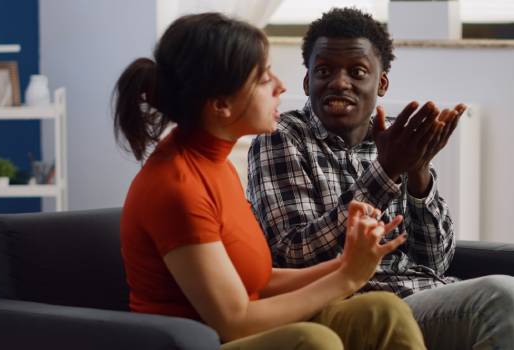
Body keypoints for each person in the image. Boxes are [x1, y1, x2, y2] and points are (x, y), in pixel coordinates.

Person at [247, 7, 514, 350]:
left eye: (356, 72)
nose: (338, 82)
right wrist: (386, 172)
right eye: (324, 70)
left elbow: (435, 260)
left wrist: (419, 175)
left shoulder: (398, 136)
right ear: (307, 78)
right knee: (502, 296)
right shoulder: (282, 139)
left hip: (443, 296)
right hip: (374, 310)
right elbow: (294, 253)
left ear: (381, 82)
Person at [114, 12, 426, 350]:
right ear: (221, 104)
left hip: (238, 328)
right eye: (263, 79)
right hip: (201, 342)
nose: (281, 85)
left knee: (384, 311)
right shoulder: (177, 186)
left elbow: (259, 280)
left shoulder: (216, 163)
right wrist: (346, 277)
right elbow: (234, 321)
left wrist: (347, 263)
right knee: (311, 341)